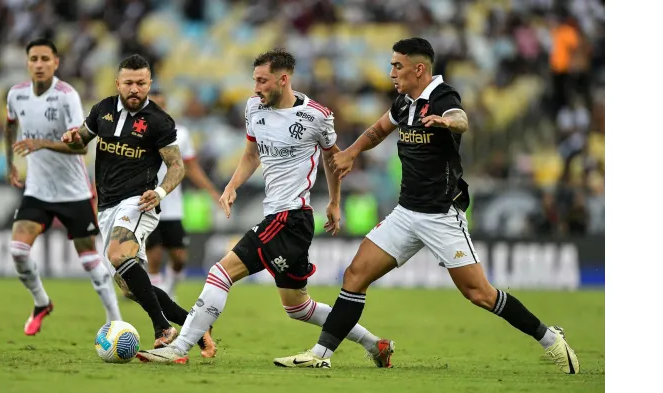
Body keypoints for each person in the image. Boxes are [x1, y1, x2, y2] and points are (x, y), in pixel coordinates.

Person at [273, 38, 579, 374]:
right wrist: (350, 153)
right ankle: (321, 353)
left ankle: (550, 338)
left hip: (441, 216)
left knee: (479, 293)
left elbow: (460, 117)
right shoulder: (406, 102)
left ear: (419, 69)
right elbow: (379, 129)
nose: (391, 72)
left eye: (397, 66)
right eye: (391, 65)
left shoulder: (442, 96)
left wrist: (448, 123)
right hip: (406, 214)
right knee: (355, 274)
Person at [134, 49, 394, 367]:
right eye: (254, 80)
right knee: (298, 307)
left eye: (262, 80)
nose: (256, 87)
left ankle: (178, 348)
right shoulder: (254, 107)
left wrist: (335, 201)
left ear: (283, 79)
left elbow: (332, 158)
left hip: (291, 217)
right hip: (279, 217)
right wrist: (231, 187)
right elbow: (251, 154)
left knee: (220, 272)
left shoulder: (316, 115)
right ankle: (375, 344)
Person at [61, 54, 215, 357]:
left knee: (118, 254)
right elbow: (81, 140)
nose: (135, 88)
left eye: (141, 83)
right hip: (106, 206)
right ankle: (196, 328)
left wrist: (159, 192)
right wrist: (72, 138)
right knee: (132, 288)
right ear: (118, 82)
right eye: (129, 82)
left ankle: (162, 328)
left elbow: (177, 167)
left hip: (138, 202)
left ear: (149, 84)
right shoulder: (102, 110)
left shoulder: (159, 121)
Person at [4, 38, 121, 336]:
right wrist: (10, 164)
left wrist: (41, 143)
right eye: (34, 59)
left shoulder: (66, 95)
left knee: (90, 262)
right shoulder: (16, 95)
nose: (39, 64)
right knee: (18, 250)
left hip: (74, 191)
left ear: (56, 62)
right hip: (38, 189)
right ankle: (41, 302)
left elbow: (81, 147)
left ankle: (115, 322)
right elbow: (9, 125)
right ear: (27, 62)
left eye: (45, 59)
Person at [144, 89, 221, 301]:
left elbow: (192, 168)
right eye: (153, 104)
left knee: (179, 258)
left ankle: (168, 290)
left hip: (172, 206)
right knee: (155, 257)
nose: (157, 108)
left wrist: (213, 191)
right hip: (148, 204)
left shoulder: (180, 133)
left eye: (161, 103)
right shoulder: (138, 132)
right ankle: (159, 300)